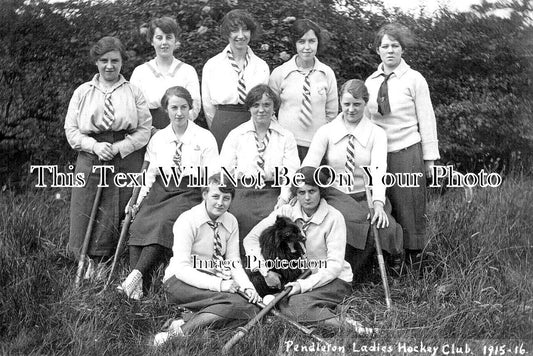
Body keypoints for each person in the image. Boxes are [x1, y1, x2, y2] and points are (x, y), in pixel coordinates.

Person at [243, 167, 374, 334]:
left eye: (312, 191)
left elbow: (334, 266)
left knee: (295, 305)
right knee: (268, 293)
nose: (306, 197)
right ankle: (319, 310)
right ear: (295, 194)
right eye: (301, 192)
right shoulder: (286, 212)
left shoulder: (334, 217)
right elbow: (250, 239)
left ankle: (351, 326)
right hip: (297, 278)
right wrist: (265, 271)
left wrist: (302, 286)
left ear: (321, 191)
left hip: (333, 279)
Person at [119, 86, 218, 299]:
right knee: (140, 221)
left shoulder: (204, 137)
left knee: (163, 221)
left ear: (191, 109)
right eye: (174, 107)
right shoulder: (159, 139)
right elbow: (150, 174)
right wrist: (136, 201)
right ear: (167, 109)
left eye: (184, 107)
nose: (179, 113)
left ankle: (135, 276)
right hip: (160, 189)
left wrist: (207, 203)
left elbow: (212, 175)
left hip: (188, 191)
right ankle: (136, 285)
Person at [64, 36, 151, 276]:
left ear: (123, 62)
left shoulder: (133, 91)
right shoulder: (82, 92)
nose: (109, 66)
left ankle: (113, 263)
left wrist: (120, 146)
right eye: (104, 60)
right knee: (87, 205)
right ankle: (85, 260)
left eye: (115, 60)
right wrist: (93, 145)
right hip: (91, 156)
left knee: (121, 207)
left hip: (125, 155)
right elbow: (71, 130)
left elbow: (144, 129)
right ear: (96, 62)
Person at [302, 79, 403, 281]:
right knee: (356, 222)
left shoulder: (377, 134)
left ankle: (376, 271)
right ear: (340, 102)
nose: (351, 109)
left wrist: (379, 204)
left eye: (357, 104)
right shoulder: (326, 131)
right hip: (336, 195)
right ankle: (348, 275)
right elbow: (308, 168)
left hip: (365, 195)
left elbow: (379, 171)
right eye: (346, 103)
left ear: (365, 104)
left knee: (386, 227)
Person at [153, 174, 260, 345]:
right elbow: (181, 269)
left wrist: (248, 287)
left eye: (226, 198)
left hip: (213, 279)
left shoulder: (231, 221)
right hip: (180, 281)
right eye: (215, 196)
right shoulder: (188, 220)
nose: (220, 203)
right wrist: (220, 285)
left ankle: (189, 319)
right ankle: (177, 334)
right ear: (204, 195)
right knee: (237, 306)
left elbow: (233, 261)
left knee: (250, 305)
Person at [365, 23, 439, 263]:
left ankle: (415, 257)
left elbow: (427, 120)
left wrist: (429, 160)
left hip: (407, 150)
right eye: (385, 46)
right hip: (379, 154)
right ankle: (392, 256)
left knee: (410, 205)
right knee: (385, 204)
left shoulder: (414, 79)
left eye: (395, 46)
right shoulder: (371, 81)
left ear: (402, 49)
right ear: (378, 50)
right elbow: (365, 120)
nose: (390, 51)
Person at [220, 84, 300, 257]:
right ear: (249, 108)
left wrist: (284, 198)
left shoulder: (286, 136)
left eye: (266, 105)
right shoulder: (236, 134)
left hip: (273, 191)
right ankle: (243, 266)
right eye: (256, 105)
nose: (261, 110)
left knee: (277, 220)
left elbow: (291, 172)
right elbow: (225, 170)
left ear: (274, 107)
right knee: (239, 215)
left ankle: (272, 268)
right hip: (243, 190)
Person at [269, 19, 338, 161]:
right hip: (286, 146)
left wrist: (321, 139)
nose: (307, 47)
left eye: (312, 41)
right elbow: (270, 110)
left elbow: (331, 113)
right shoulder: (280, 73)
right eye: (301, 41)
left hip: (317, 147)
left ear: (318, 42)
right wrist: (281, 136)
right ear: (294, 43)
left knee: (311, 182)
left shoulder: (326, 73)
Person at [202, 9, 269, 151]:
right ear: (227, 33)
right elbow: (208, 106)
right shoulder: (213, 65)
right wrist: (219, 124)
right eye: (234, 30)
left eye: (245, 30)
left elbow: (265, 103)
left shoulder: (261, 66)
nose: (240, 36)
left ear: (251, 33)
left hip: (252, 123)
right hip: (223, 124)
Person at [130, 16, 201, 129]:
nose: (164, 42)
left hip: (181, 129)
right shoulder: (140, 72)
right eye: (159, 38)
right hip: (148, 131)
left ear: (175, 40)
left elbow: (195, 105)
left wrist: (177, 127)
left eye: (169, 37)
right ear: (152, 41)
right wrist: (151, 130)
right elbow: (133, 108)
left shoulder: (187, 71)